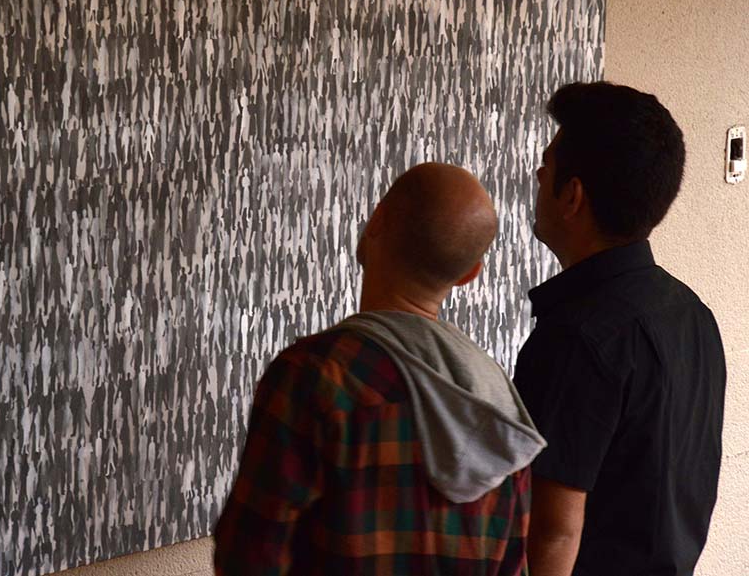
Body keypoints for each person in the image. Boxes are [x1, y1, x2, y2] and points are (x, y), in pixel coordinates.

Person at [214, 163, 546, 575]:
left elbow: (249, 556)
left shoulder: (316, 375)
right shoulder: (500, 401)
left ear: (377, 220)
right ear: (470, 274)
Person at [513, 82, 727, 576]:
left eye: (547, 164)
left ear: (572, 196)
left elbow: (552, 532)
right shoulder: (692, 314)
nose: (538, 174)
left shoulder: (578, 337)